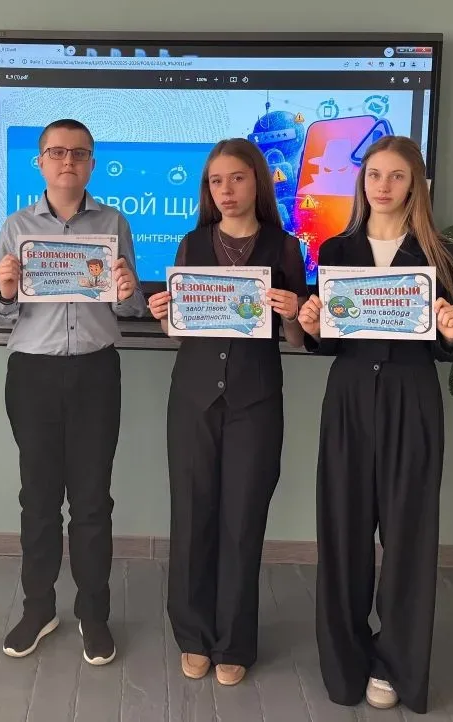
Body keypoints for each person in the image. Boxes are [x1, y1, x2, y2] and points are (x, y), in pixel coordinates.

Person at [295, 135, 453, 713]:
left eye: (396, 175)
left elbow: (445, 347)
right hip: (348, 399)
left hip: (411, 398)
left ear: (415, 184)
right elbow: (328, 341)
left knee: (408, 538)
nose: (383, 186)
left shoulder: (439, 254)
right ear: (361, 183)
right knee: (342, 533)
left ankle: (396, 665)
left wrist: (451, 334)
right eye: (374, 175)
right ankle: (345, 664)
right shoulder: (336, 250)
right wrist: (313, 325)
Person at [0, 118, 147, 665]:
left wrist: (128, 291)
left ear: (92, 163)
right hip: (33, 374)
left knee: (93, 502)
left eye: (78, 153)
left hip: (97, 372)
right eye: (57, 152)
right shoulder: (17, 226)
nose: (67, 161)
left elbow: (129, 307)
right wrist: (7, 291)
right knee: (39, 500)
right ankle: (38, 609)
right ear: (40, 162)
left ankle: (93, 615)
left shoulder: (114, 222)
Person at [147, 138, 308, 686]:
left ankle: (235, 641)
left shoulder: (284, 248)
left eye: (237, 178)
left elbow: (296, 339)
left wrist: (293, 313)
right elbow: (179, 331)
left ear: (257, 181)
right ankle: (193, 636)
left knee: (243, 522)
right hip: (193, 400)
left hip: (255, 404)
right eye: (216, 181)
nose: (226, 190)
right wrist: (164, 313)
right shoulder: (192, 243)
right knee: (192, 518)